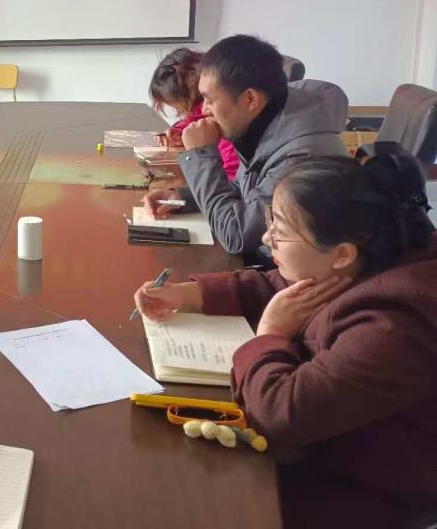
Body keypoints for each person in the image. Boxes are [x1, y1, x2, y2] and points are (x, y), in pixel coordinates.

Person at [133, 145, 436, 527]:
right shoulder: (369, 251)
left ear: (341, 254)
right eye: (270, 222)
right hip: (327, 442)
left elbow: (281, 413)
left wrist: (271, 333)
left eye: (281, 233)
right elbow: (290, 285)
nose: (266, 238)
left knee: (189, 499)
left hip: (366, 483)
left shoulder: (396, 322)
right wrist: (188, 294)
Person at [142, 35, 349, 259]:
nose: (204, 111)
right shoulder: (267, 119)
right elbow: (246, 191)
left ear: (250, 99)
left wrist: (199, 155)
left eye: (210, 100)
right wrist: (183, 198)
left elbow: (235, 235)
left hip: (284, 271)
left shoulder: (300, 157)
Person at [148, 47, 239, 180]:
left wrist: (199, 153)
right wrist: (179, 133)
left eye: (178, 108)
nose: (205, 110)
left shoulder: (229, 127)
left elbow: (227, 177)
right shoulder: (204, 109)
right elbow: (192, 120)